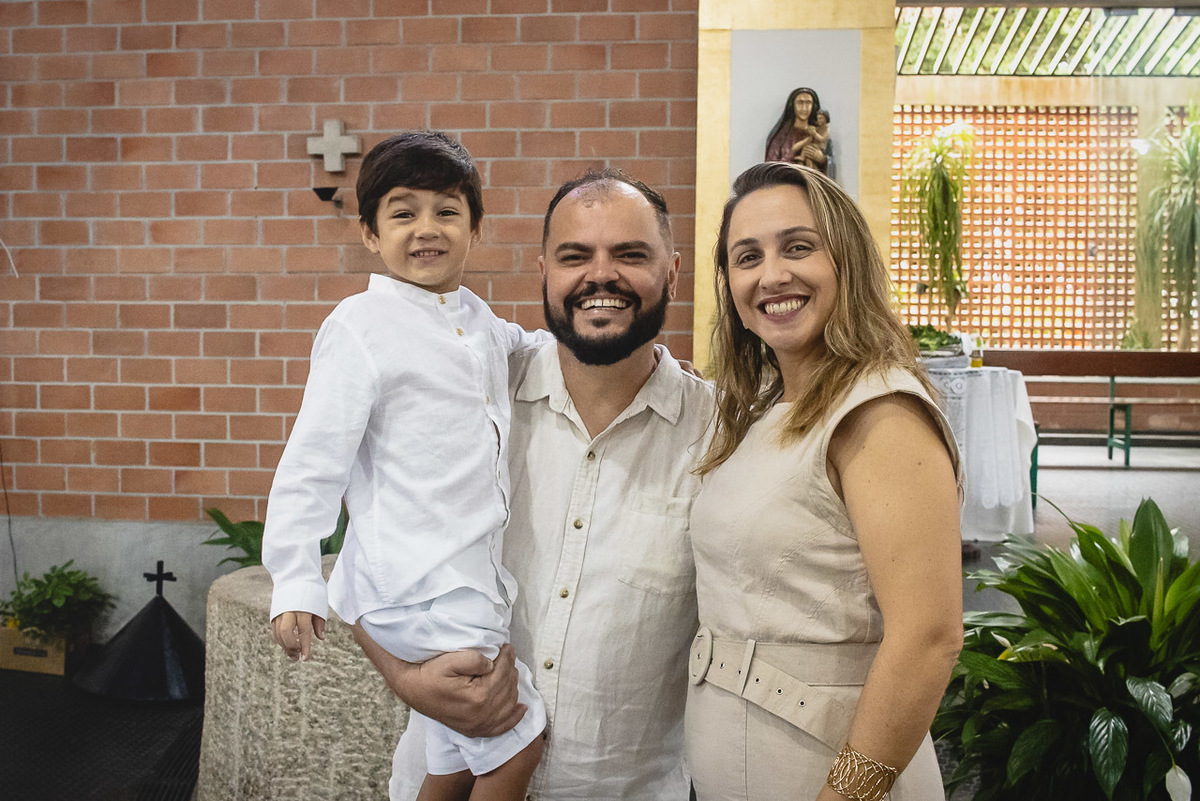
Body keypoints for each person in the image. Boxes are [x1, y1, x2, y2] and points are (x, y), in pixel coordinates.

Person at [352, 168, 715, 801]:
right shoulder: (468, 391)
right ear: (543, 271)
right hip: (445, 778)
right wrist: (403, 677)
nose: (600, 276)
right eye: (576, 256)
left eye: (630, 255)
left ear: (673, 272)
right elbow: (371, 550)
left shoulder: (717, 435)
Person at [260, 131, 546, 801]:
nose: (427, 228)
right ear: (369, 233)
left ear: (476, 227)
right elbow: (312, 462)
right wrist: (295, 579)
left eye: (447, 211)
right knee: (516, 733)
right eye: (403, 212)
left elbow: (533, 351)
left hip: (462, 574)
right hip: (418, 584)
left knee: (447, 758)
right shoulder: (360, 324)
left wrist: (629, 361)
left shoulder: (476, 319)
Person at [685, 161, 963, 800]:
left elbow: (929, 636)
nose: (772, 275)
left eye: (799, 247)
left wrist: (846, 796)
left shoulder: (880, 412)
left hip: (829, 776)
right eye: (747, 256)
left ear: (847, 261)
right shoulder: (761, 410)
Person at [765, 87, 829, 173]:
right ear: (793, 105)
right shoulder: (781, 135)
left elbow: (829, 159)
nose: (804, 108)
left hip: (812, 183)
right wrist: (792, 153)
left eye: (808, 103)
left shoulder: (819, 132)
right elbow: (770, 168)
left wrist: (822, 159)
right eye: (800, 103)